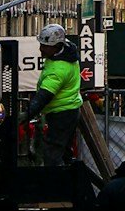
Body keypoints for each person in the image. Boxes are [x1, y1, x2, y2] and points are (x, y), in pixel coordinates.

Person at [27, 22, 84, 163]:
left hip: (61, 113)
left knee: (52, 153)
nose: (41, 49)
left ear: (56, 46)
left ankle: (55, 181)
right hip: (68, 110)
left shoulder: (58, 70)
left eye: (45, 46)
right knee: (64, 151)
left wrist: (25, 116)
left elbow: (43, 97)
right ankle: (67, 178)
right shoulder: (66, 54)